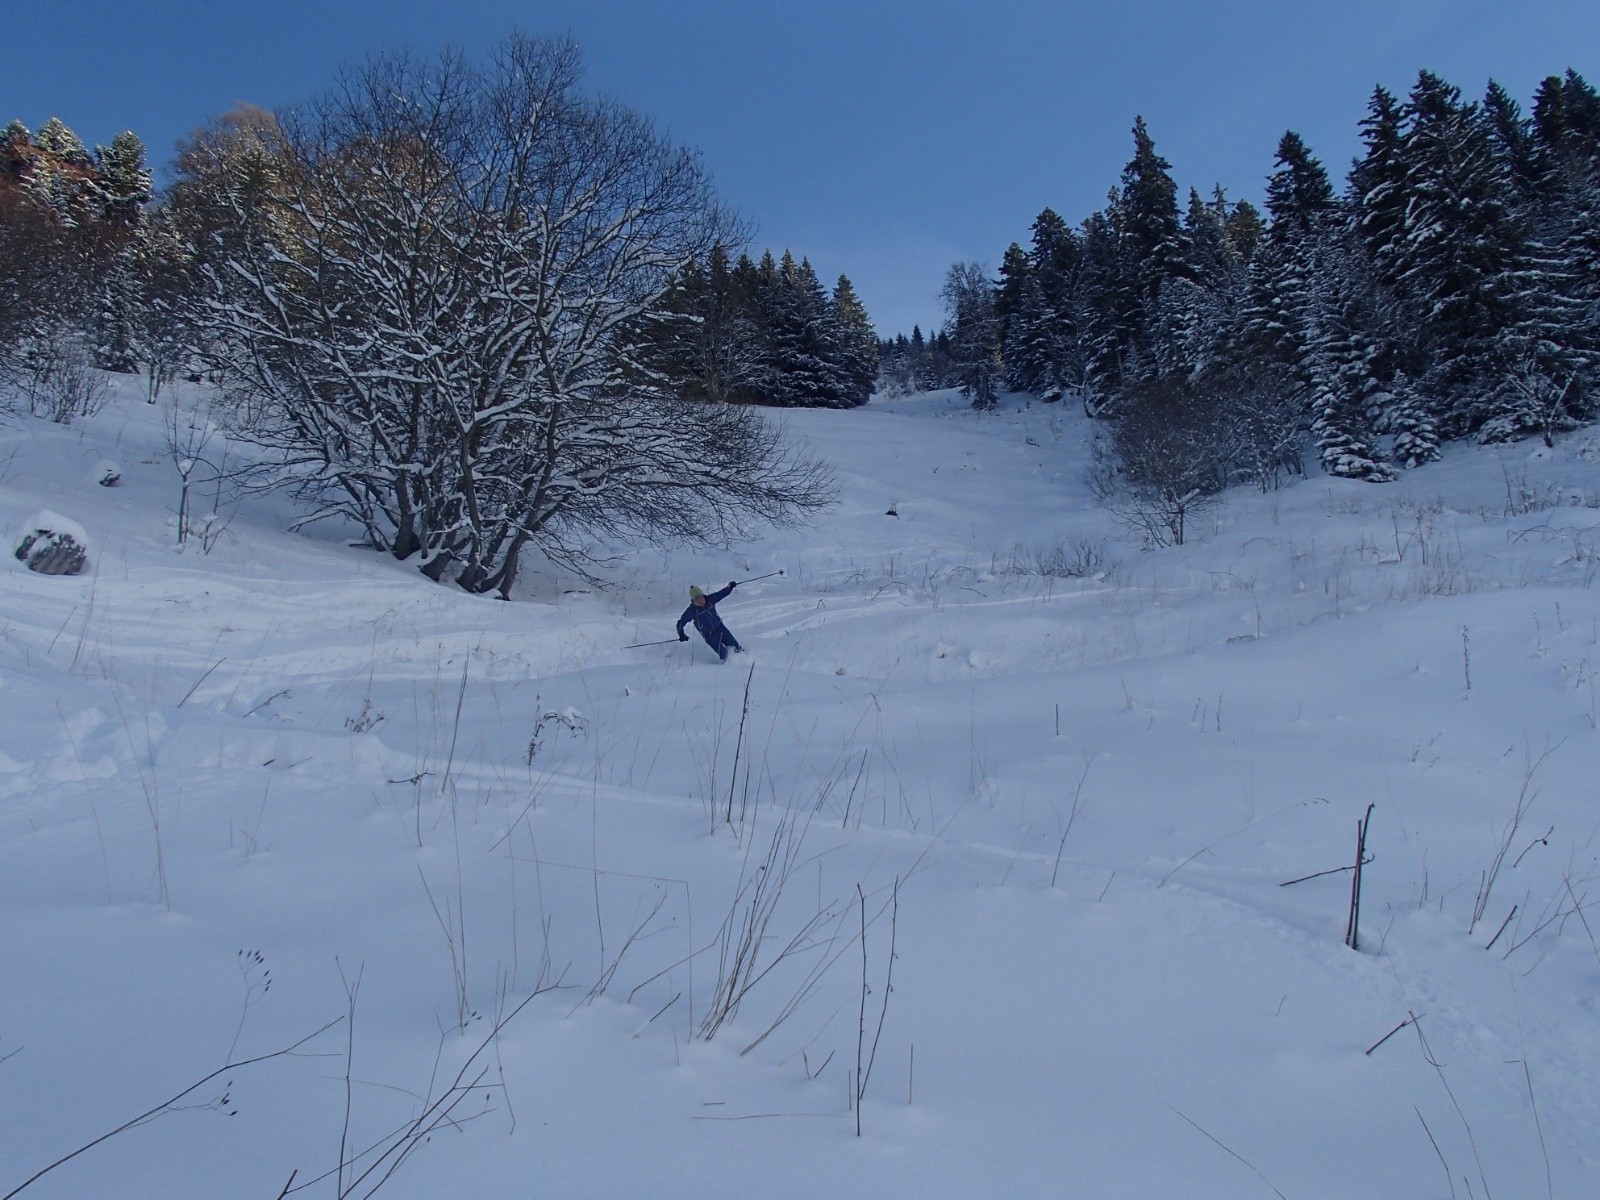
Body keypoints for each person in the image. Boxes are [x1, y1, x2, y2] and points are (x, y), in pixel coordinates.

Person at [677, 581, 744, 661]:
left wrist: (730, 587)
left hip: (720, 627)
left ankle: (744, 659)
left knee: (734, 645)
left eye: (701, 598)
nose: (700, 601)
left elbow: (722, 593)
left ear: (703, 595)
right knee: (723, 653)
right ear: (693, 601)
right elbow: (680, 623)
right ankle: (729, 665)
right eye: (697, 600)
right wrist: (681, 634)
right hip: (709, 635)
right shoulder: (692, 611)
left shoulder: (710, 599)